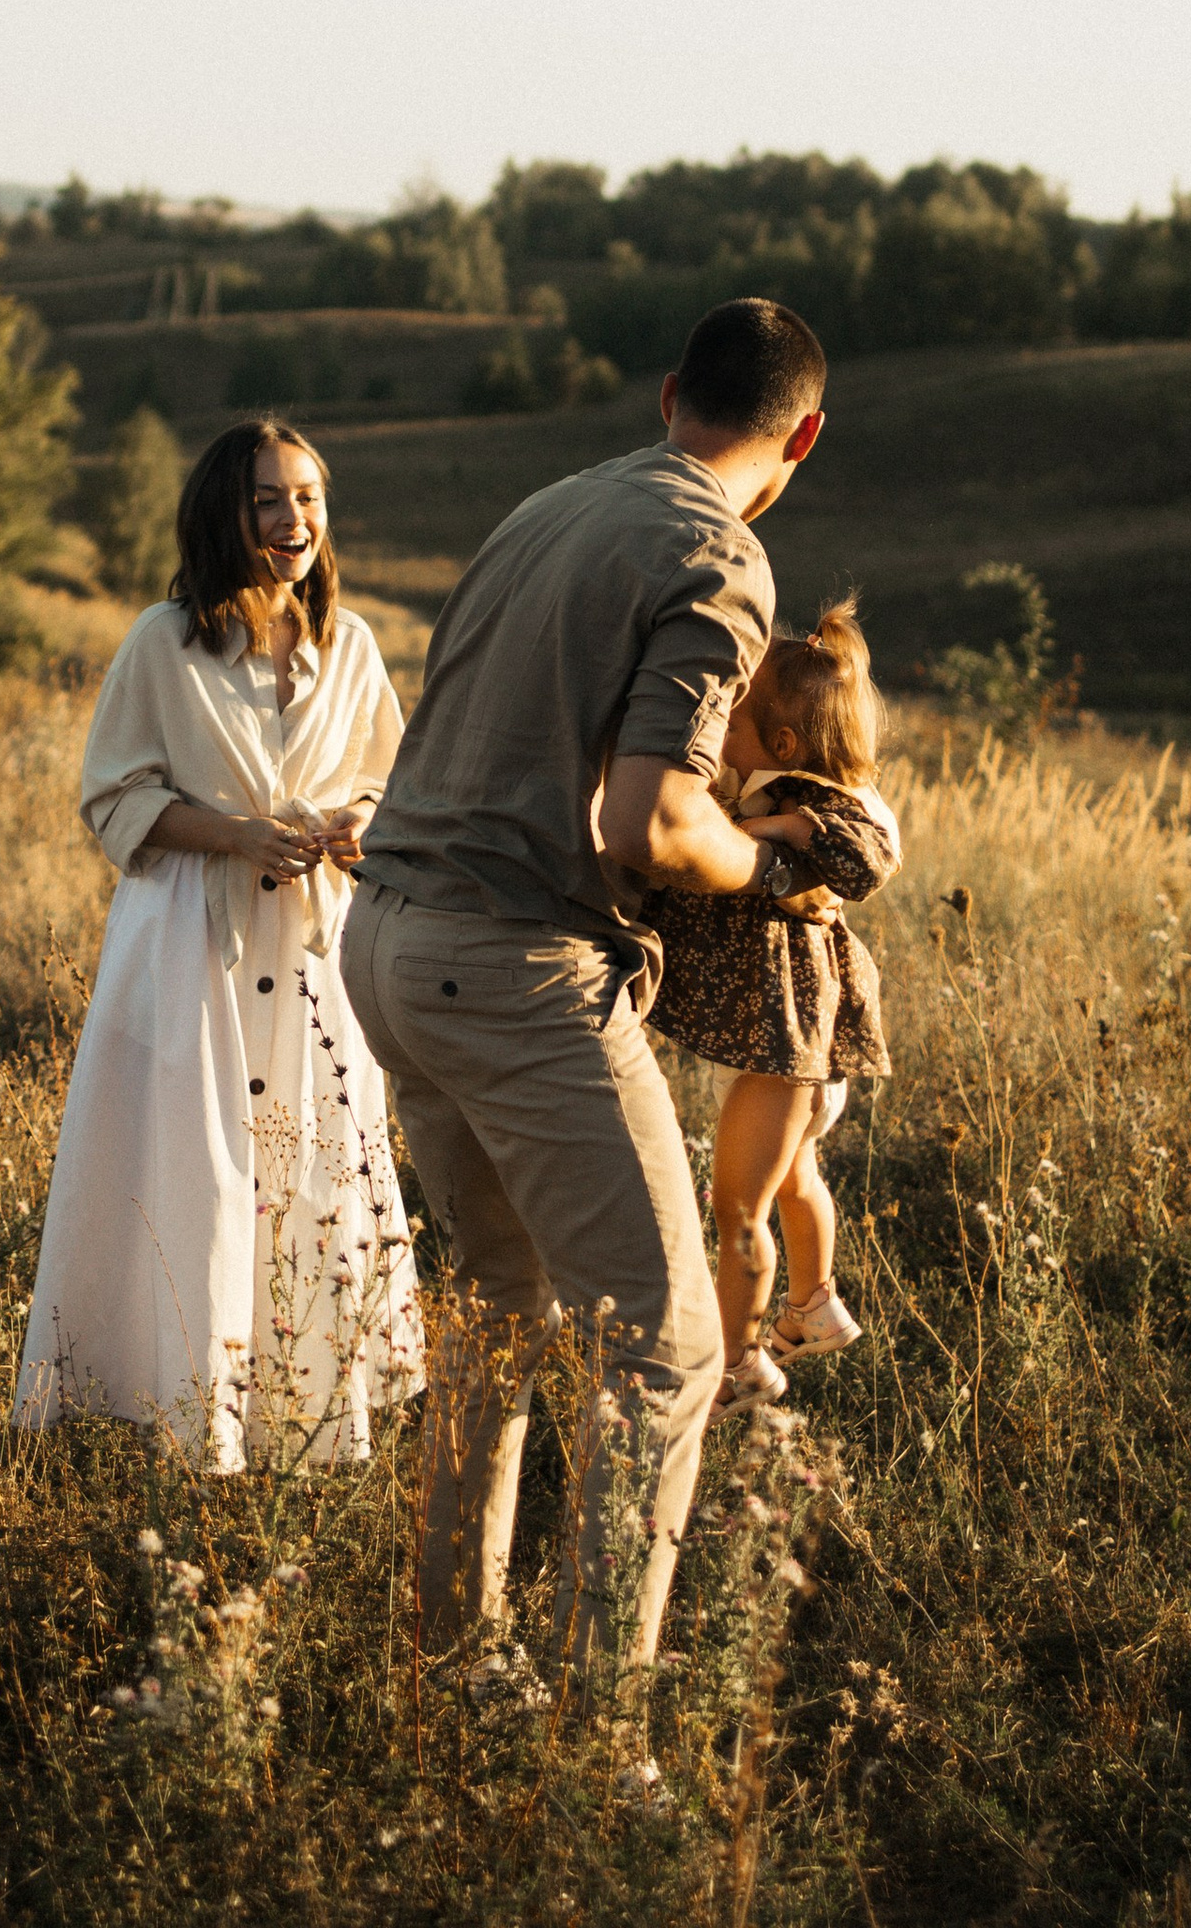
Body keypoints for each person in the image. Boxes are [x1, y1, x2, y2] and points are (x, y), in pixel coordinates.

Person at [345, 296, 831, 1708]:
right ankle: (598, 1725)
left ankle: (454, 1668)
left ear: (670, 390)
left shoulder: (552, 502)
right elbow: (652, 822)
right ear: (805, 436)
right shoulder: (721, 555)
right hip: (512, 964)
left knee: (495, 1310)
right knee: (671, 1344)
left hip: (388, 939)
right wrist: (776, 868)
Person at [14, 416, 424, 1470]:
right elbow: (113, 794)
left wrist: (355, 824)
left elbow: (391, 778)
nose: (292, 520)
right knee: (195, 1162)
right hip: (192, 932)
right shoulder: (165, 639)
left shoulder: (353, 644)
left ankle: (305, 1412)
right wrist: (237, 833)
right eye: (267, 500)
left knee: (314, 1161)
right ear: (223, 515)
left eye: (307, 498)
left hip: (316, 941)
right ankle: (182, 1406)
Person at [643, 602, 901, 1408]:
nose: (717, 723)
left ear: (782, 745)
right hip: (784, 1038)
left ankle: (737, 1364)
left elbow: (871, 854)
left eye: (733, 715)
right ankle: (814, 1302)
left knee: (739, 1210)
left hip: (791, 1040)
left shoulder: (808, 797)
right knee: (794, 1175)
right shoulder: (757, 782)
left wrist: (783, 823)